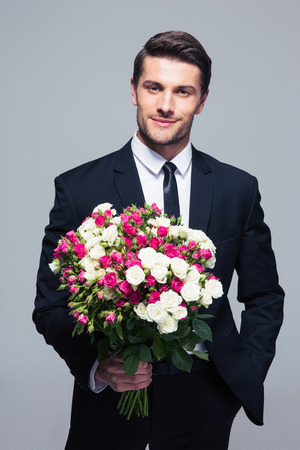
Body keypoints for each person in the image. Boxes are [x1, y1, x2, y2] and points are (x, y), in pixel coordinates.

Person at [33, 31, 284, 450]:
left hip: (205, 396)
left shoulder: (237, 188)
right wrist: (99, 368)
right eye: (154, 87)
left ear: (202, 101)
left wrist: (243, 375)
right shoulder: (79, 188)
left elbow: (265, 296)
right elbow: (51, 307)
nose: (166, 105)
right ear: (134, 91)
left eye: (183, 91)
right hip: (111, 398)